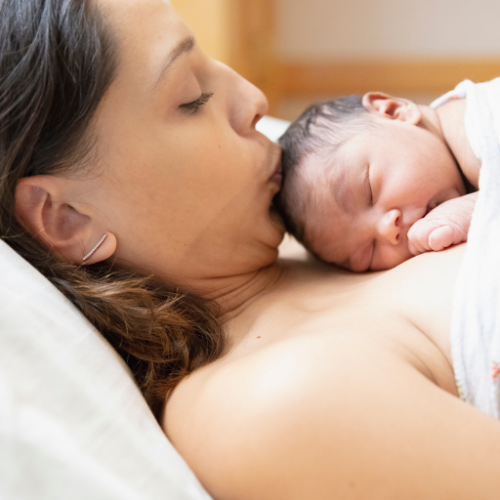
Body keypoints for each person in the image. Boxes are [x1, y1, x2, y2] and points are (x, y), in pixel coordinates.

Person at [3, 1, 500, 499]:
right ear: (66, 218)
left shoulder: (338, 216)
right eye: (193, 98)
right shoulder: (267, 400)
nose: (254, 98)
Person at [277, 91, 481, 271]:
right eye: (368, 254)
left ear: (394, 111)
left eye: (370, 191)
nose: (387, 230)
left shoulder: (474, 124)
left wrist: (473, 208)